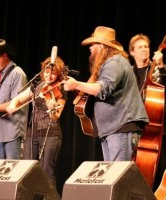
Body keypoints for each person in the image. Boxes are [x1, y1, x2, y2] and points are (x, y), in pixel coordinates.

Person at [62, 26, 149, 161]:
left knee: (117, 177)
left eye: (92, 44)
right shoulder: (107, 64)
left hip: (121, 126)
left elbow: (103, 89)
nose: (90, 48)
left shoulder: (114, 61)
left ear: (101, 46)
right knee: (112, 177)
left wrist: (77, 84)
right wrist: (75, 87)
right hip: (112, 129)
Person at [6, 56, 67, 187]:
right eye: (46, 72)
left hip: (51, 134)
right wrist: (13, 106)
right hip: (32, 133)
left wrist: (52, 109)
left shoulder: (60, 89)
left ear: (58, 75)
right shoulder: (37, 86)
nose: (49, 76)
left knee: (46, 172)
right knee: (29, 171)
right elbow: (18, 99)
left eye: (53, 73)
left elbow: (56, 116)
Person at [128, 33, 166, 190]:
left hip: (157, 129)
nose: (144, 49)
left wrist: (161, 65)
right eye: (140, 47)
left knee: (157, 172)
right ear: (132, 52)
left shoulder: (156, 68)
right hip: (135, 128)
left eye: (146, 46)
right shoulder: (128, 73)